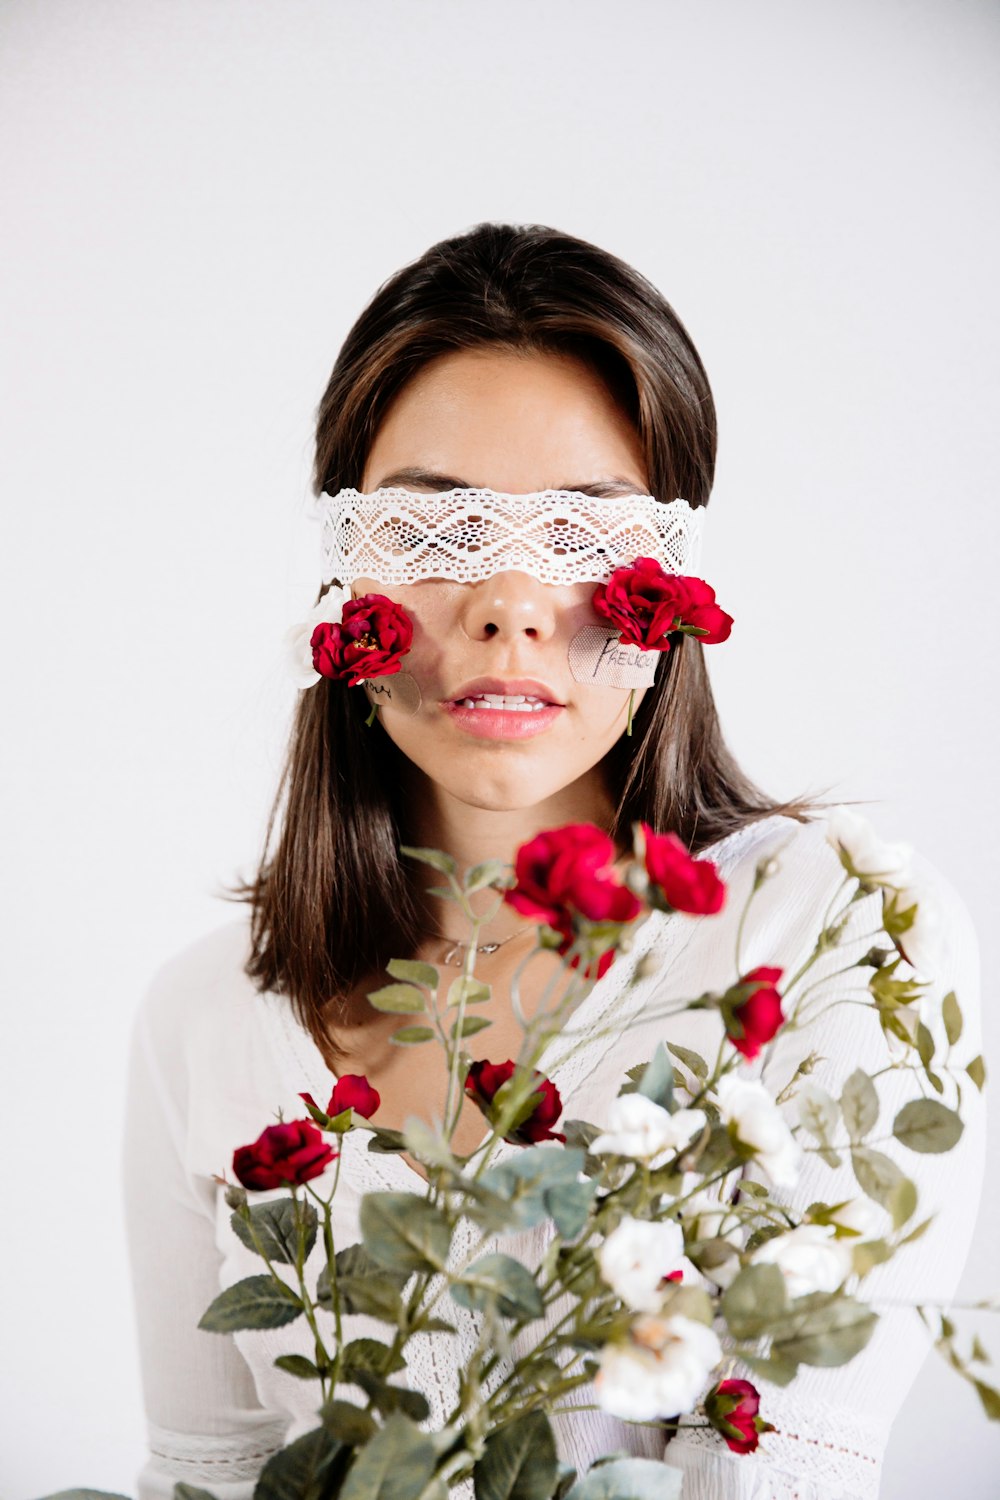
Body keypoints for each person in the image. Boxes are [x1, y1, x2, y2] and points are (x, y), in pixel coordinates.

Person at [121, 222, 985, 1499]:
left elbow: (778, 1471)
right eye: (435, 534)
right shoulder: (203, 1016)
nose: (507, 601)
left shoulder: (839, 941)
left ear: (674, 583)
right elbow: (208, 1476)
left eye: (582, 537)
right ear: (340, 573)